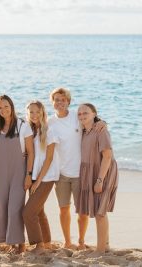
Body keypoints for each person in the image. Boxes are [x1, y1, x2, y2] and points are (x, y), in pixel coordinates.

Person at [48, 87, 105, 249]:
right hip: (61, 174)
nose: (60, 103)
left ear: (68, 102)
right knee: (63, 209)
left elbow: (93, 122)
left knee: (82, 211)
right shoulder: (50, 122)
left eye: (63, 100)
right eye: (57, 100)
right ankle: (67, 241)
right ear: (52, 102)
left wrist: (102, 123)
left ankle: (81, 241)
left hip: (80, 173)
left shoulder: (76, 117)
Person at [0, 95, 34, 254]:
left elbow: (30, 152)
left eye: (6, 106)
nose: (3, 110)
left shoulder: (22, 125)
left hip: (19, 172)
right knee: (2, 206)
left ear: (12, 106)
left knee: (15, 207)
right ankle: (10, 242)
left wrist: (28, 175)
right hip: (0, 173)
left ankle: (20, 243)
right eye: (0, 108)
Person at [77, 103, 118, 256]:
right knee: (98, 209)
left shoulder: (101, 131)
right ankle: (105, 245)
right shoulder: (83, 131)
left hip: (103, 172)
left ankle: (100, 250)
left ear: (94, 113)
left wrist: (100, 180)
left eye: (85, 113)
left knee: (100, 212)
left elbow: (107, 156)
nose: (82, 116)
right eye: (79, 114)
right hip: (90, 172)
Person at [22, 100, 60, 254]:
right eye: (31, 112)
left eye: (37, 111)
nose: (34, 115)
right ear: (28, 114)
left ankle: (38, 244)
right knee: (39, 211)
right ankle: (47, 242)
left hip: (46, 177)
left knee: (28, 212)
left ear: (43, 112)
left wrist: (37, 181)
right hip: (33, 175)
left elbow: (49, 158)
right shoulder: (29, 131)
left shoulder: (50, 131)